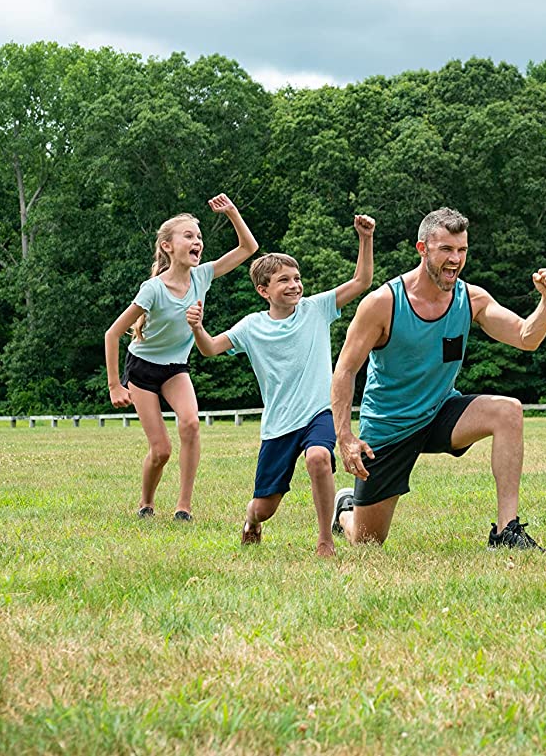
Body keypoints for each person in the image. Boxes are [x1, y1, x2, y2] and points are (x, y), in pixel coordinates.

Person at [330, 207, 546, 551]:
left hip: (441, 411)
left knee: (508, 411)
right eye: (446, 250)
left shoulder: (471, 299)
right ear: (422, 249)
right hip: (391, 427)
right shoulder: (383, 303)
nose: (455, 259)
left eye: (462, 250)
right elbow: (345, 370)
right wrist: (345, 436)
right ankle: (346, 511)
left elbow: (527, 337)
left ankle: (506, 531)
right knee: (368, 540)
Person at [186, 214, 376, 556]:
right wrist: (198, 328)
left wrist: (365, 238)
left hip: (319, 411)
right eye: (283, 280)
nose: (294, 285)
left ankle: (324, 540)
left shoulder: (316, 309)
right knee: (265, 507)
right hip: (278, 425)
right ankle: (251, 521)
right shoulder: (250, 327)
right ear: (263, 290)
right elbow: (211, 349)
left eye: (297, 278)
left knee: (319, 457)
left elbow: (362, 280)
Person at [104, 194, 258, 522]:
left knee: (190, 424)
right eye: (188, 235)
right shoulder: (153, 289)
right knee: (161, 451)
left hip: (176, 368)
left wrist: (232, 213)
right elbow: (112, 334)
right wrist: (115, 385)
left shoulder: (201, 277)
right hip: (142, 370)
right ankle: (146, 503)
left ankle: (183, 507)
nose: (196, 241)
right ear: (167, 246)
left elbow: (248, 249)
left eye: (199, 237)